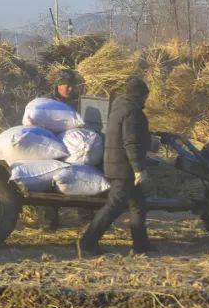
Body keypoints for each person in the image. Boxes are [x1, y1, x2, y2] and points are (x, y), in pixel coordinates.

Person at [78, 76, 153, 257]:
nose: (145, 101)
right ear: (139, 95)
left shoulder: (119, 108)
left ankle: (141, 246)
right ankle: (87, 242)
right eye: (144, 97)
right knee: (115, 205)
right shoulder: (132, 111)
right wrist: (138, 169)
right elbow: (131, 142)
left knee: (138, 205)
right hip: (124, 168)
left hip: (116, 164)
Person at [39, 69, 84, 231]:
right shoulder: (46, 102)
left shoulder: (79, 103)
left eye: (72, 86)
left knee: (81, 179)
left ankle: (85, 218)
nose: (70, 89)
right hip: (50, 147)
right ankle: (49, 222)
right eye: (67, 85)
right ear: (58, 85)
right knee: (49, 184)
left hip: (74, 149)